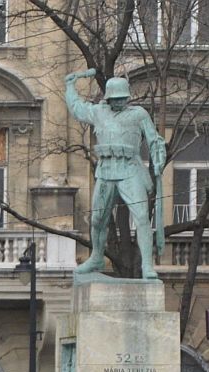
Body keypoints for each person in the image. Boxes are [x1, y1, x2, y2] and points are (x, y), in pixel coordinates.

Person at [64, 70, 168, 279]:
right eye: (115, 99)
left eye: (122, 98)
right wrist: (69, 87)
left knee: (141, 217)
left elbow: (154, 139)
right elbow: (76, 109)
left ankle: (147, 265)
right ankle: (96, 257)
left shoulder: (138, 114)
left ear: (127, 97)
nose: (118, 102)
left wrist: (159, 156)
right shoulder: (99, 112)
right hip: (106, 170)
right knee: (97, 220)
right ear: (108, 98)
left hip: (130, 169)